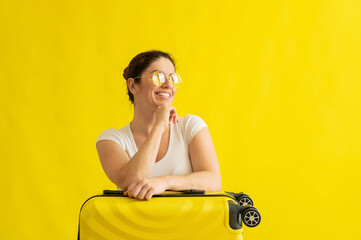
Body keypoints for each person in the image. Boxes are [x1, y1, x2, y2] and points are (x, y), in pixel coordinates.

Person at [96, 50, 221, 200]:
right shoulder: (111, 140)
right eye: (158, 76)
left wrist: (164, 182)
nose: (168, 84)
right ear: (133, 86)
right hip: (135, 223)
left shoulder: (190, 126)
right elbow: (130, 182)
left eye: (172, 78)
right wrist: (159, 126)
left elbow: (213, 180)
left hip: (188, 223)